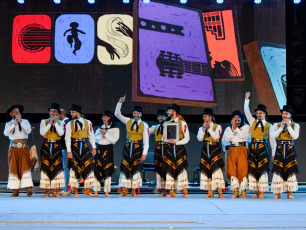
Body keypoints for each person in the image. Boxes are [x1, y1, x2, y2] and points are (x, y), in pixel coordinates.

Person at [115, 96, 149, 196]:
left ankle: (133, 190)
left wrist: (144, 153)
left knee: (136, 168)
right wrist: (119, 103)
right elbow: (117, 114)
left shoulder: (144, 125)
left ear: (141, 114)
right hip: (128, 146)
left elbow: (146, 141)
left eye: (138, 113)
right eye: (134, 113)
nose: (136, 115)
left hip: (137, 148)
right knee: (125, 167)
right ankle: (124, 190)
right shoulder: (128, 121)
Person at [244, 92, 276, 198]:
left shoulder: (268, 125)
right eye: (257, 113)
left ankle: (261, 192)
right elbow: (246, 111)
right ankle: (257, 191)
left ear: (265, 114)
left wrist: (273, 153)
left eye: (261, 113)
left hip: (263, 147)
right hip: (253, 147)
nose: (259, 115)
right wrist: (246, 99)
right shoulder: (252, 121)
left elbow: (272, 140)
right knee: (253, 168)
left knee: (262, 168)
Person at [65, 104, 96, 197]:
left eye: (73, 112)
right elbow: (67, 138)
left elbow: (91, 135)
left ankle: (87, 190)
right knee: (74, 168)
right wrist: (69, 151)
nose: (71, 114)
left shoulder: (88, 122)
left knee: (88, 167)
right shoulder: (69, 123)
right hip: (74, 146)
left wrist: (94, 147)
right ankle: (75, 191)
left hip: (84, 146)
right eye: (71, 112)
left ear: (78, 113)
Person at [4, 105, 35, 197]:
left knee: (25, 167)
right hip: (13, 148)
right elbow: (6, 133)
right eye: (15, 112)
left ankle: (28, 189)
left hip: (23, 147)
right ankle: (15, 190)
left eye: (18, 112)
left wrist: (20, 122)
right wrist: (14, 123)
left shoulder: (25, 121)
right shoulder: (9, 123)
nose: (17, 113)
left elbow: (29, 131)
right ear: (11, 114)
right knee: (14, 168)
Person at [271, 105, 300, 199]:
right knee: (278, 169)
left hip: (290, 147)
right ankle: (277, 193)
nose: (284, 115)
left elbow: (295, 136)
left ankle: (289, 192)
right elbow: (273, 135)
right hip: (279, 147)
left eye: (286, 113)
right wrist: (281, 127)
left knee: (290, 169)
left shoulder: (295, 125)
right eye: (283, 113)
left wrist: (288, 126)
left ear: (290, 115)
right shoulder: (277, 124)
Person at [162, 103, 190, 198]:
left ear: (174, 111)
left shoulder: (182, 123)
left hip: (179, 147)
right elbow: (164, 138)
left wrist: (177, 142)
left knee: (181, 168)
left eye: (169, 110)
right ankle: (171, 190)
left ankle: (184, 190)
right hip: (169, 148)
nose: (167, 112)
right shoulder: (167, 123)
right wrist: (164, 138)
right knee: (169, 168)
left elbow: (187, 138)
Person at [197, 108, 225, 198]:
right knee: (206, 169)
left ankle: (220, 192)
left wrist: (209, 128)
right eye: (203, 116)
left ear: (210, 116)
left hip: (214, 148)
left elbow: (216, 137)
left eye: (205, 116)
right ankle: (210, 191)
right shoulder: (201, 128)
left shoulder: (217, 126)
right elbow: (199, 138)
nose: (204, 118)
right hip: (205, 149)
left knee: (216, 169)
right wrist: (204, 129)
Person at [39, 103, 65, 197]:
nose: (52, 113)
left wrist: (55, 123)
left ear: (57, 113)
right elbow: (42, 133)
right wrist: (50, 123)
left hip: (56, 146)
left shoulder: (61, 123)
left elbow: (61, 133)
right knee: (46, 166)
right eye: (51, 111)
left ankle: (55, 191)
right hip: (46, 145)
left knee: (57, 166)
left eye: (54, 111)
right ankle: (47, 191)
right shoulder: (44, 121)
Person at [93, 110, 119, 197]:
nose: (102, 118)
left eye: (104, 117)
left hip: (108, 150)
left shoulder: (115, 129)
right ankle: (96, 191)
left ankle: (106, 191)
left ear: (109, 118)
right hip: (100, 149)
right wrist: (102, 136)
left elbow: (114, 140)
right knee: (97, 170)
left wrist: (106, 134)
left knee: (107, 170)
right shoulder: (100, 128)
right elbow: (95, 138)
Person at [223, 110, 250, 198]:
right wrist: (232, 130)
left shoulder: (245, 127)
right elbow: (227, 138)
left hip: (242, 149)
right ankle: (235, 191)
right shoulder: (228, 128)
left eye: (238, 118)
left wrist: (236, 129)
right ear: (231, 120)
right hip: (232, 149)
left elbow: (243, 136)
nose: (237, 119)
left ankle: (243, 191)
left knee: (242, 169)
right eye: (234, 118)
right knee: (232, 170)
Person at [149, 109, 168, 196]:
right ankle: (162, 189)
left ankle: (170, 188)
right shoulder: (155, 127)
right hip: (158, 148)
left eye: (162, 116)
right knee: (159, 168)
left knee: (167, 168)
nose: (160, 117)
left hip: (167, 147)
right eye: (159, 116)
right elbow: (146, 132)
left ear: (165, 117)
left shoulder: (169, 126)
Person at [59, 108, 71, 196]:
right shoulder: (64, 122)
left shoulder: (66, 123)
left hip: (66, 148)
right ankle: (66, 187)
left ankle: (66, 188)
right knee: (65, 167)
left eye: (57, 114)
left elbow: (67, 137)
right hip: (64, 148)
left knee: (66, 167)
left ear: (61, 114)